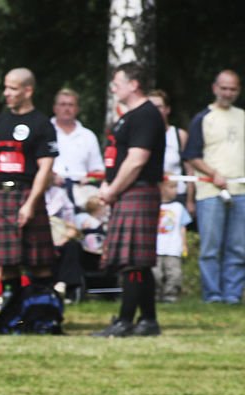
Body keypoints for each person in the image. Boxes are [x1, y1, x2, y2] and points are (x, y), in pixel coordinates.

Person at [0, 67, 57, 320]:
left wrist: (31, 203)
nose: (6, 93)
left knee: (39, 262)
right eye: (6, 87)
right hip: (1, 196)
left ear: (28, 90)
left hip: (26, 193)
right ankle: (10, 317)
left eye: (13, 88)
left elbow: (46, 167)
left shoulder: (41, 124)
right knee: (6, 262)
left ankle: (43, 315)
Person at [92, 62, 167, 337]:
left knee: (133, 261)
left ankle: (125, 320)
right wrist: (107, 182)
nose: (114, 87)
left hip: (138, 190)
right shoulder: (129, 116)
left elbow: (137, 161)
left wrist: (112, 190)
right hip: (128, 191)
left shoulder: (146, 115)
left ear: (134, 84)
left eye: (118, 82)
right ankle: (148, 320)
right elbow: (118, 158)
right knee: (135, 260)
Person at [184, 70, 245, 304]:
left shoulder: (242, 116)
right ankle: (213, 295)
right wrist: (214, 174)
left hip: (241, 191)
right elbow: (191, 154)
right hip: (211, 191)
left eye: (233, 89)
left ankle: (232, 295)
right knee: (210, 248)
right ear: (215, 88)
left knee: (238, 248)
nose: (228, 93)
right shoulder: (203, 118)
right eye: (224, 88)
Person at [50, 88, 104, 208]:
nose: (67, 109)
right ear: (55, 108)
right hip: (50, 192)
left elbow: (98, 171)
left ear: (77, 109)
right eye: (63, 104)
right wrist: (50, 176)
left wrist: (90, 179)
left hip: (82, 193)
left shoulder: (88, 136)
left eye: (71, 105)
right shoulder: (44, 131)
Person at [147, 89, 193, 212]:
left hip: (177, 195)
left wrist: (190, 200)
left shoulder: (179, 135)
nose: (155, 111)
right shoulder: (142, 135)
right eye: (151, 107)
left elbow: (189, 170)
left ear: (167, 109)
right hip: (150, 194)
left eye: (159, 107)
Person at [154, 180, 191, 303]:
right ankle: (155, 295)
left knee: (174, 274)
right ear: (161, 188)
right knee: (155, 274)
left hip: (173, 249)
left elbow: (182, 227)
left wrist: (184, 244)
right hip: (155, 248)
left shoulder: (178, 208)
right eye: (171, 187)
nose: (175, 190)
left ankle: (171, 296)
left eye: (176, 187)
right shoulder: (153, 205)